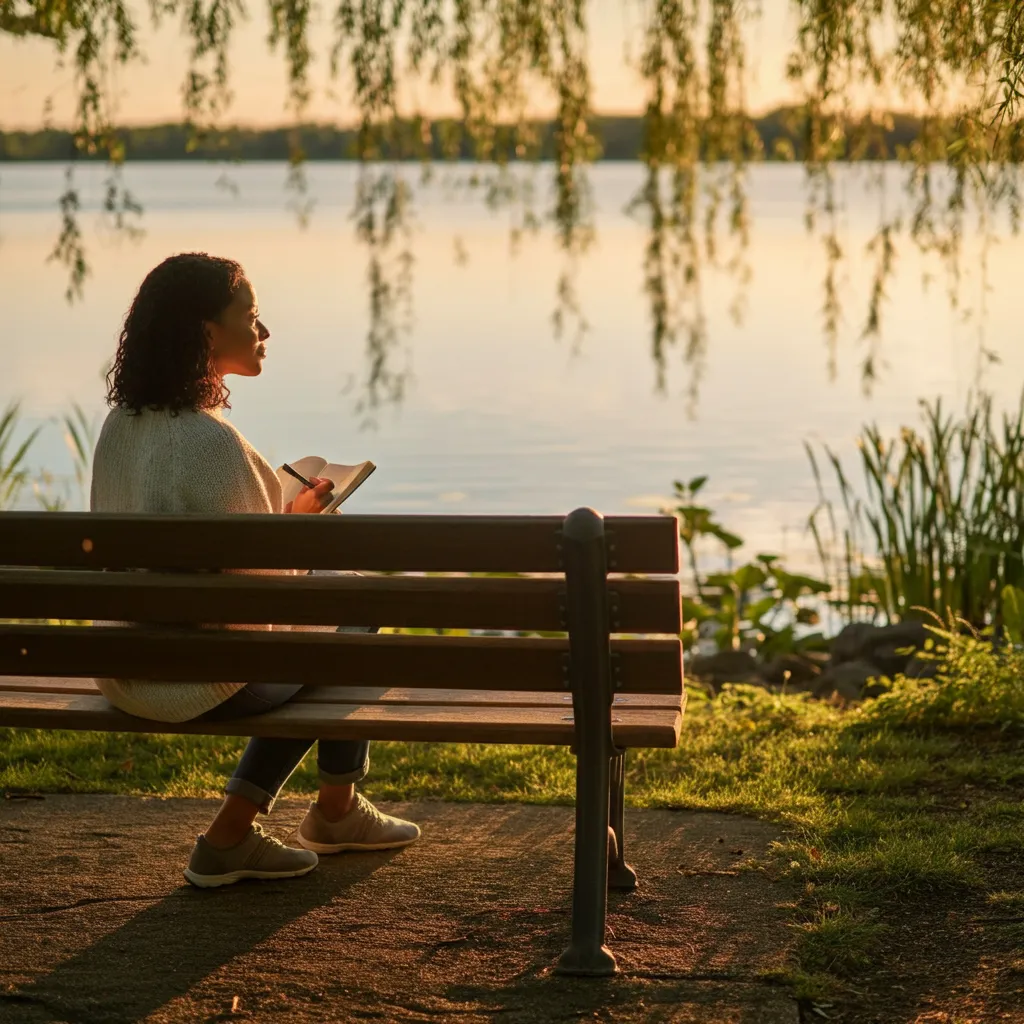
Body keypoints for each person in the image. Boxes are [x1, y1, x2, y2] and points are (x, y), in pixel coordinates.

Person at [91, 251, 420, 888]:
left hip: (128, 667)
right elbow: (268, 596)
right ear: (207, 332)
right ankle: (258, 828)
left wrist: (286, 521)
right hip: (202, 679)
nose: (264, 332)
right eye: (253, 316)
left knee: (341, 612)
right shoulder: (213, 443)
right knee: (357, 614)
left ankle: (331, 814)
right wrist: (308, 526)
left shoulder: (120, 427)